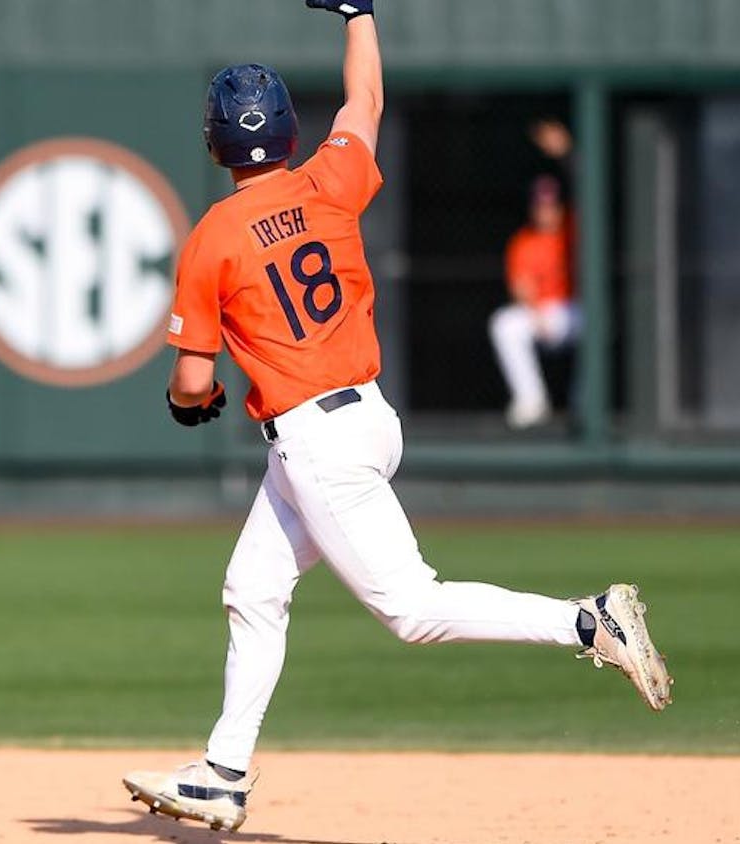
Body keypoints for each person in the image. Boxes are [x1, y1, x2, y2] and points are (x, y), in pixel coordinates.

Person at [121, 2, 671, 833]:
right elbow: (366, 99)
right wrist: (358, 13)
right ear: (289, 131)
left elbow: (193, 380)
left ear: (214, 144)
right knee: (254, 588)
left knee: (414, 610)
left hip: (316, 440)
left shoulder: (214, 237)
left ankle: (587, 620)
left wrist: (185, 404)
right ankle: (223, 772)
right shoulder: (329, 180)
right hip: (369, 418)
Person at [489, 156, 578, 429]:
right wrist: (536, 313)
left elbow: (588, 186)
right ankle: (532, 401)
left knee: (599, 320)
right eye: (540, 205)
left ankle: (585, 401)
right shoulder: (523, 241)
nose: (545, 211)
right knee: (505, 324)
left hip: (571, 311)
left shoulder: (573, 230)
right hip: (539, 313)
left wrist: (567, 153)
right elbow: (520, 285)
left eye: (551, 205)